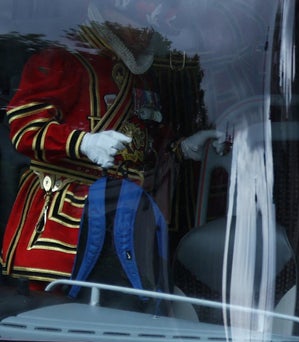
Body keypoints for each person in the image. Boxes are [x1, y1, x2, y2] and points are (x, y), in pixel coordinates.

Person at [1, 1, 217, 290]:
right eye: (138, 26)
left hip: (126, 217)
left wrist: (180, 148)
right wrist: (82, 143)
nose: (145, 35)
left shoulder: (139, 72)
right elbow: (24, 128)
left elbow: (143, 141)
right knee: (57, 309)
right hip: (68, 216)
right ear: (109, 14)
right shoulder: (63, 58)